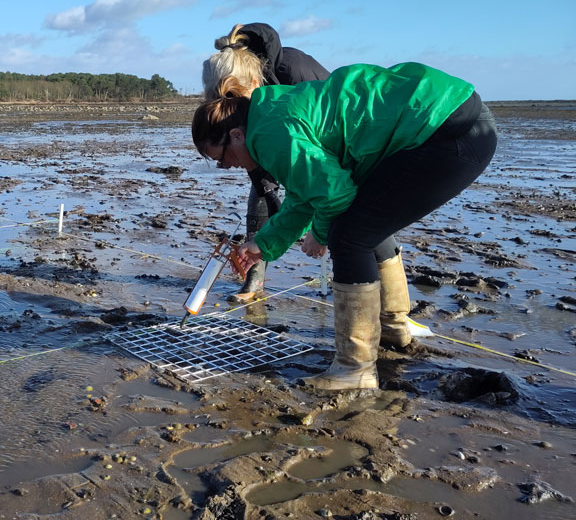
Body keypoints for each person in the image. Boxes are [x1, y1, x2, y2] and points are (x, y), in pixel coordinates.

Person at [192, 62, 497, 390]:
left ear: (236, 134)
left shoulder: (268, 134)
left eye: (222, 157)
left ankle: (355, 369)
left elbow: (334, 195)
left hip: (446, 130)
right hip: (452, 115)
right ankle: (393, 330)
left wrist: (319, 236)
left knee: (349, 237)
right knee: (363, 225)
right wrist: (263, 244)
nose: (227, 166)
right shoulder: (269, 112)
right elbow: (305, 192)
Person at [202, 23, 329, 302]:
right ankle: (254, 281)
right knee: (260, 199)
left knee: (356, 214)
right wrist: (269, 193)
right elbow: (254, 160)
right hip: (277, 138)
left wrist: (318, 229)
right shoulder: (243, 101)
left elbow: (323, 177)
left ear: (254, 84)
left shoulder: (293, 72)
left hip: (327, 140)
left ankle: (391, 307)